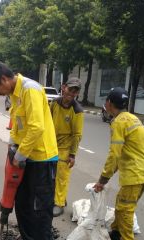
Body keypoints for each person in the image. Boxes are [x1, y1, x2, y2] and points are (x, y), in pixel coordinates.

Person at [0, 60, 58, 240]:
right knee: (22, 206)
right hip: (26, 160)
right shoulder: (15, 94)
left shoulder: (30, 89)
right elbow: (18, 126)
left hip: (42, 161)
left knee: (39, 212)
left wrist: (19, 155)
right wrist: (12, 146)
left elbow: (36, 127)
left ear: (4, 79)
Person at [93, 87, 144, 240]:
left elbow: (114, 155)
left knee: (125, 209)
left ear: (109, 103)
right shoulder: (133, 118)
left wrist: (103, 180)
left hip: (135, 173)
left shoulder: (118, 122)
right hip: (142, 171)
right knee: (121, 202)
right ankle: (116, 231)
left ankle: (126, 237)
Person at [50, 78, 84, 217]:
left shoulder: (77, 111)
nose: (72, 93)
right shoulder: (54, 103)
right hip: (51, 144)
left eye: (75, 91)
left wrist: (72, 155)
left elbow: (77, 135)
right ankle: (59, 198)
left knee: (61, 177)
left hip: (65, 147)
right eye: (70, 89)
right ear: (64, 87)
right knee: (51, 176)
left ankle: (58, 204)